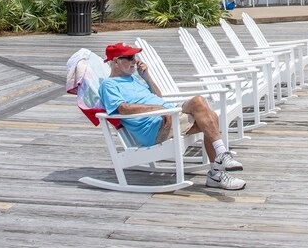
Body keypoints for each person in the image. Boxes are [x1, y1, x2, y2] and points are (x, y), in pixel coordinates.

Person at [98, 42, 247, 191]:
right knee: (202, 107)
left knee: (210, 116)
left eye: (134, 57)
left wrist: (147, 77)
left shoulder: (133, 79)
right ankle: (220, 162)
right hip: (154, 128)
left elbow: (158, 97)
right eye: (129, 57)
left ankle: (217, 169)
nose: (134, 61)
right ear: (116, 61)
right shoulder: (109, 85)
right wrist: (161, 110)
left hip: (169, 115)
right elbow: (123, 109)